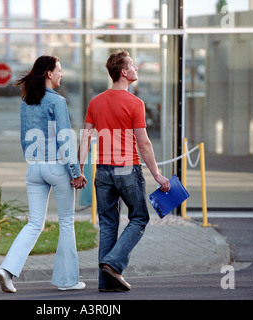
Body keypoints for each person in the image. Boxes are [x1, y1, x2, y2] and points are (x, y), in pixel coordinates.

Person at [77, 50, 171, 292]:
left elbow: (85, 137)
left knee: (108, 225)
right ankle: (113, 264)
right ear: (123, 72)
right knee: (139, 218)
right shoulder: (135, 103)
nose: (136, 68)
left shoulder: (95, 102)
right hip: (127, 169)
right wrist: (157, 175)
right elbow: (144, 143)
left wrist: (80, 169)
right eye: (132, 65)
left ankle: (105, 282)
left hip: (103, 171)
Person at [0, 55, 87, 293]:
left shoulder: (27, 100)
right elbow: (65, 139)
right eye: (59, 69)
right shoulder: (57, 102)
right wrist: (76, 172)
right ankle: (67, 281)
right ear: (49, 73)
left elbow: (23, 136)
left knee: (35, 222)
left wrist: (33, 160)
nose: (62, 74)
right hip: (56, 167)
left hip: (34, 167)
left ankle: (6, 270)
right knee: (66, 222)